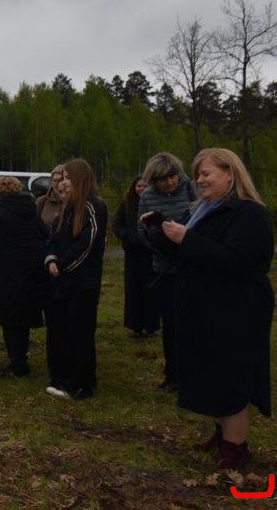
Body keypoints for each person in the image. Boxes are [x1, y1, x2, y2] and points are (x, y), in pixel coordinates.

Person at [146, 148, 273, 468]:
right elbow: (183, 254)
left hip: (236, 310)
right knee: (212, 372)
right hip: (205, 307)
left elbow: (238, 261)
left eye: (206, 174)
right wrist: (158, 232)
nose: (199, 180)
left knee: (232, 375)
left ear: (230, 174)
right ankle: (222, 433)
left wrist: (186, 239)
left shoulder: (249, 214)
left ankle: (236, 446)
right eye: (197, 175)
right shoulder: (202, 209)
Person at [44, 158, 107, 401]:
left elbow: (87, 245)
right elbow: (53, 237)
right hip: (62, 282)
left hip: (82, 284)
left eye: (68, 177)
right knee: (60, 331)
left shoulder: (94, 207)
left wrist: (63, 265)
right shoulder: (67, 207)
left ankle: (79, 385)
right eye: (62, 178)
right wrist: (50, 259)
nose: (64, 182)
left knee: (79, 333)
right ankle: (61, 378)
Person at [0, 176, 47, 378]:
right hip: (30, 276)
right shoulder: (32, 213)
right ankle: (20, 359)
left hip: (4, 277)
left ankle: (18, 363)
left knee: (9, 320)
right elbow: (44, 238)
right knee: (21, 320)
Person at [136, 152, 196, 392]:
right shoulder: (147, 196)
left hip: (192, 267)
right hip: (165, 270)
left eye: (173, 176)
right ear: (154, 180)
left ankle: (195, 373)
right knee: (170, 324)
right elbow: (141, 231)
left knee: (193, 322)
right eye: (163, 179)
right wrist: (160, 247)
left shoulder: (191, 188)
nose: (170, 182)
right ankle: (173, 375)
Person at [112, 176, 158, 338]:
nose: (141, 189)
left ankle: (151, 326)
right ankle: (135, 326)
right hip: (132, 254)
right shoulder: (126, 204)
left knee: (150, 289)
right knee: (133, 290)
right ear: (134, 187)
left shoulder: (153, 203)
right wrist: (127, 236)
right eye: (139, 186)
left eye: (144, 186)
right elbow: (116, 224)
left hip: (149, 254)